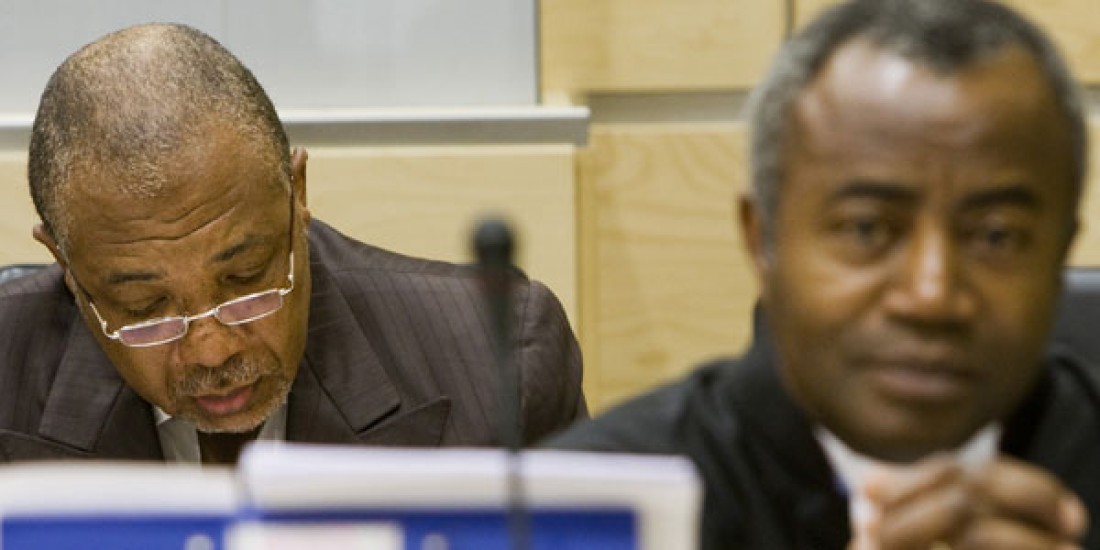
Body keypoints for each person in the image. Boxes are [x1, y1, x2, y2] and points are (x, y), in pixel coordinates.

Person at [548, 0, 1100, 548]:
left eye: (996, 236)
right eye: (866, 229)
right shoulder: (580, 517)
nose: (932, 295)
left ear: (1060, 252)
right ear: (761, 240)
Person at [0, 23, 586, 465]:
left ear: (296, 194)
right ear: (66, 266)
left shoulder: (497, 356)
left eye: (247, 276)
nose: (212, 350)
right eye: (145, 308)